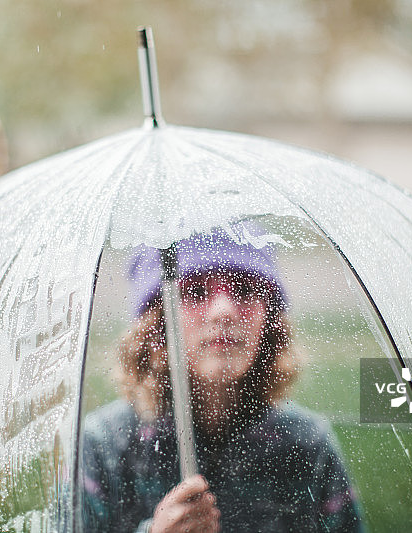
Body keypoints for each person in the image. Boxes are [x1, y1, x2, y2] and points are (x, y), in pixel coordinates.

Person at [81, 223, 363, 533]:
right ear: (156, 323)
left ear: (269, 317)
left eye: (244, 290)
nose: (223, 311)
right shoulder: (104, 446)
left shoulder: (306, 445)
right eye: (195, 292)